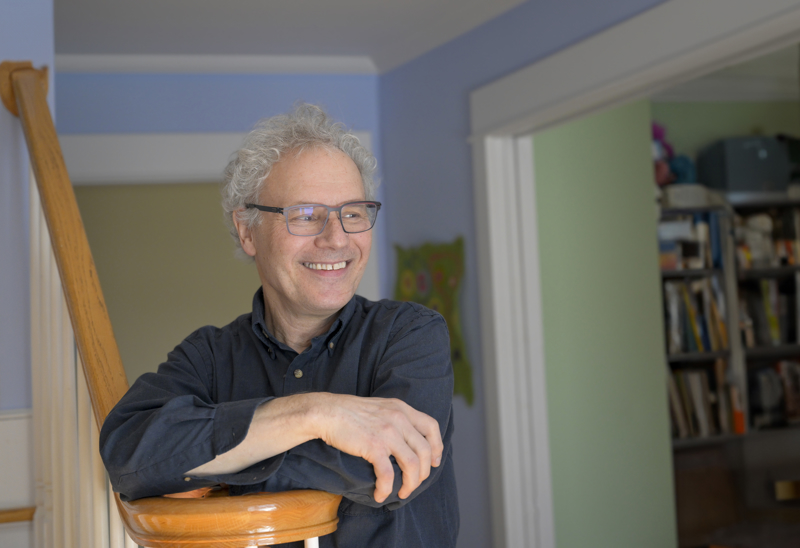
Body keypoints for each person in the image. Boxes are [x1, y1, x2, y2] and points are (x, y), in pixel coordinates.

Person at [99, 104, 459, 547]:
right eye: (306, 214)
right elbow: (128, 452)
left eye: (353, 211)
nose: (337, 238)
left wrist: (216, 464)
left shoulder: (410, 335)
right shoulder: (208, 356)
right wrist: (316, 413)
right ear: (248, 232)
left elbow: (393, 469)